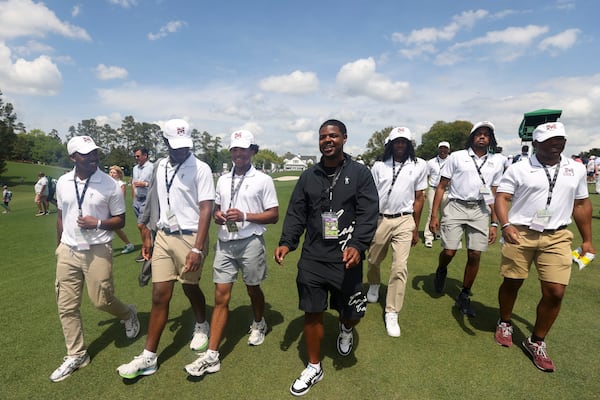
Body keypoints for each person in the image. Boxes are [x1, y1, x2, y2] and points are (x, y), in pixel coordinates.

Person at [274, 119, 378, 396]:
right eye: (323, 136)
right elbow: (297, 212)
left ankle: (345, 328)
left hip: (347, 256)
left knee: (352, 313)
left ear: (344, 138)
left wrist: (358, 245)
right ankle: (314, 366)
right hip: (313, 257)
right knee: (312, 311)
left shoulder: (360, 173)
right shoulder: (309, 175)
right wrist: (287, 242)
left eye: (333, 135)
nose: (327, 140)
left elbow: (369, 213)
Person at [117, 119, 214, 379]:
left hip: (191, 236)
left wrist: (197, 248)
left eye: (184, 146)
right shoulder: (160, 166)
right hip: (163, 235)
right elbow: (153, 199)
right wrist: (147, 234)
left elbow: (206, 208)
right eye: (174, 146)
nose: (180, 150)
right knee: (160, 294)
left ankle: (202, 325)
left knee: (190, 286)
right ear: (165, 143)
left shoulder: (201, 168)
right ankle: (149, 356)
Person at [494, 122, 595, 372]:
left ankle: (536, 341)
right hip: (521, 233)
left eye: (560, 140)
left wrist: (587, 239)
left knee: (555, 292)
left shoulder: (576, 169)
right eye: (550, 141)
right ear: (536, 143)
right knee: (512, 281)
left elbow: (581, 204)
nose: (556, 144)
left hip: (558, 235)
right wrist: (505, 225)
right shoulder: (519, 168)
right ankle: (505, 321)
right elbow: (502, 197)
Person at [185, 130, 279, 377]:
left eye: (243, 149)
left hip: (251, 242)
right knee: (221, 296)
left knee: (252, 288)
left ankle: (259, 322)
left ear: (252, 151)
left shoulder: (263, 180)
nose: (239, 154)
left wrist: (246, 216)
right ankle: (213, 354)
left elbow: (274, 214)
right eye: (235, 149)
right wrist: (217, 214)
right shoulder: (223, 179)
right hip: (225, 242)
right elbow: (217, 207)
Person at [50, 136, 140, 382]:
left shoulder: (110, 184)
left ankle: (127, 314)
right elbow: (61, 215)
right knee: (66, 306)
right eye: (85, 154)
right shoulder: (64, 182)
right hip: (68, 249)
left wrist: (97, 222)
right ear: (73, 158)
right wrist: (59, 245)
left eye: (94, 153)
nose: (93, 157)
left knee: (101, 300)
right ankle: (77, 354)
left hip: (98, 247)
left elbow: (120, 221)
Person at [429, 121, 504, 317]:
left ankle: (464, 294)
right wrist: (434, 214)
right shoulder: (457, 157)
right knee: (449, 251)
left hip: (480, 209)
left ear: (490, 139)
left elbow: (494, 193)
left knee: (475, 254)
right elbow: (441, 186)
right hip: (456, 206)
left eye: (486, 134)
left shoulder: (496, 162)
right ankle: (441, 269)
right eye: (478, 134)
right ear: (472, 137)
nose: (482, 137)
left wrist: (494, 223)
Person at [365, 127, 427, 337]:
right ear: (390, 144)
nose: (400, 145)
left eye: (404, 142)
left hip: (404, 220)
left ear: (409, 144)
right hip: (381, 218)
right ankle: (374, 284)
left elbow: (420, 198)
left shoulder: (419, 165)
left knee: (399, 267)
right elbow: (370, 196)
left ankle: (392, 311)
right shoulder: (379, 166)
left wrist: (416, 228)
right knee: (373, 260)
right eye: (396, 142)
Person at [423, 141, 450, 248]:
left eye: (445, 148)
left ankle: (439, 232)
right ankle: (428, 236)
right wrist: (424, 190)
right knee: (431, 212)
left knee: (445, 213)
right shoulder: (431, 162)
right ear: (438, 149)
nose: (443, 150)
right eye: (441, 148)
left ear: (448, 150)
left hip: (448, 190)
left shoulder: (452, 161)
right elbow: (426, 176)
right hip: (433, 189)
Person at [132, 147, 154, 261]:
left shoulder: (151, 168)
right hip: (137, 200)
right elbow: (133, 183)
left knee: (142, 225)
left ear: (145, 156)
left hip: (147, 199)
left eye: (138, 156)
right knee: (143, 227)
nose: (136, 158)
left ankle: (146, 249)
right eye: (135, 156)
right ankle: (148, 247)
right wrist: (133, 198)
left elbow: (155, 184)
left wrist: (144, 184)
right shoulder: (135, 168)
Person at [109, 165, 135, 254]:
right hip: (107, 208)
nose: (112, 174)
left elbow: (121, 198)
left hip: (116, 209)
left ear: (119, 174)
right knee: (112, 228)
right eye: (111, 172)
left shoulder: (121, 184)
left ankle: (129, 244)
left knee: (115, 228)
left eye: (114, 173)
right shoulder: (108, 183)